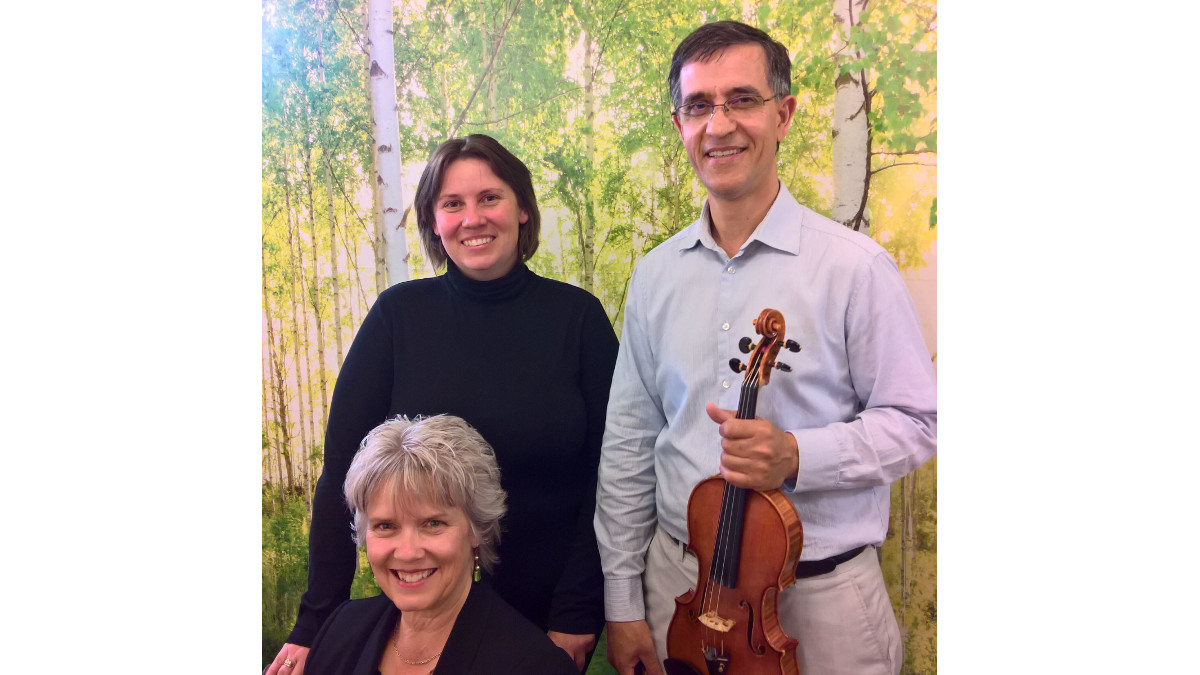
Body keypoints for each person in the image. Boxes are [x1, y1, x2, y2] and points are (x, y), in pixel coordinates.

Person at [593, 20, 937, 675]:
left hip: (823, 600)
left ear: (783, 114)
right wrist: (622, 601)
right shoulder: (655, 273)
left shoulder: (854, 269)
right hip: (681, 590)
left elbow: (918, 423)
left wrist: (799, 454)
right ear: (679, 127)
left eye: (741, 100)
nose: (718, 125)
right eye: (698, 106)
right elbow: (630, 443)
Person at [268, 134, 619, 675]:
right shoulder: (397, 318)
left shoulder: (578, 320)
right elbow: (341, 473)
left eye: (489, 198)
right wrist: (316, 621)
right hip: (425, 600)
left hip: (550, 611)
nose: (471, 218)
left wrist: (578, 608)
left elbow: (610, 475)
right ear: (433, 221)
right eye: (452, 204)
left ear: (522, 209)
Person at [302, 414, 579, 674]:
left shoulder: (537, 666)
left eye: (433, 523)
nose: (408, 552)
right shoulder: (339, 630)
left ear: (476, 531)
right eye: (386, 526)